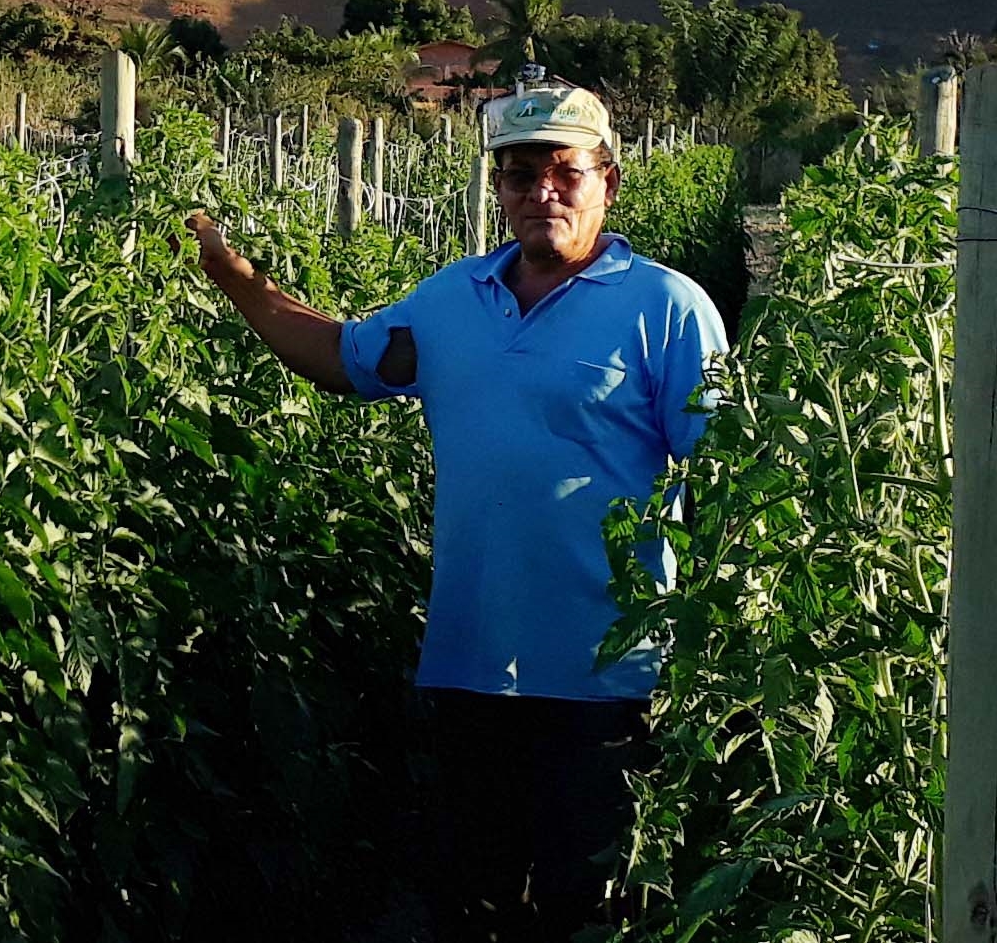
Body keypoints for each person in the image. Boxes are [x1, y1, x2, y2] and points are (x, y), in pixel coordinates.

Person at [184, 70, 729, 941]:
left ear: (607, 181)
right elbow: (342, 358)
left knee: (585, 908)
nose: (540, 191)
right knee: (469, 899)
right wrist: (237, 280)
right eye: (518, 174)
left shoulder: (663, 308)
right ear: (497, 188)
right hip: (473, 659)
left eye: (564, 171)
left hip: (608, 673)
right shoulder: (452, 300)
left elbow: (722, 481)